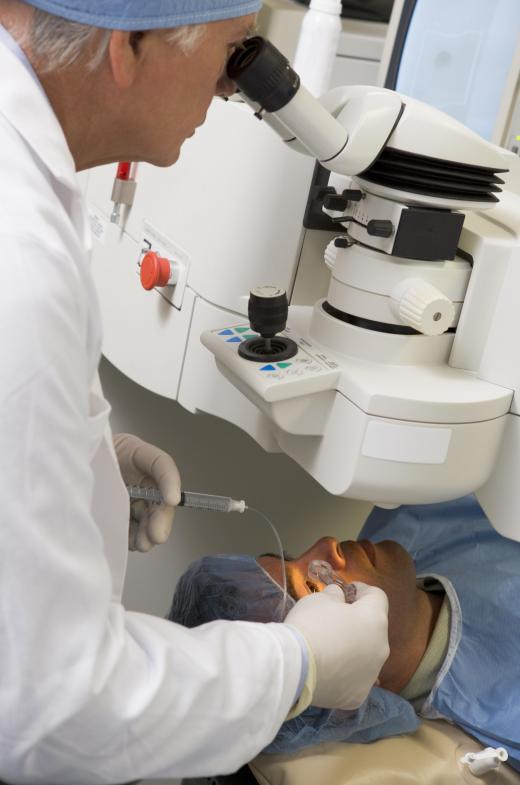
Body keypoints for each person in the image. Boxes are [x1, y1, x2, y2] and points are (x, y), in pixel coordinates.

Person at [0, 0, 391, 782]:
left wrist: (76, 458)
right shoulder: (22, 266)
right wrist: (297, 666)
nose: (230, 85)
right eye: (233, 47)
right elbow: (50, 706)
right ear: (129, 43)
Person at [169, 495, 520, 771]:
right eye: (312, 585)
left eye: (291, 555)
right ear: (352, 685)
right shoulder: (507, 716)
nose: (328, 545)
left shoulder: (406, 511)